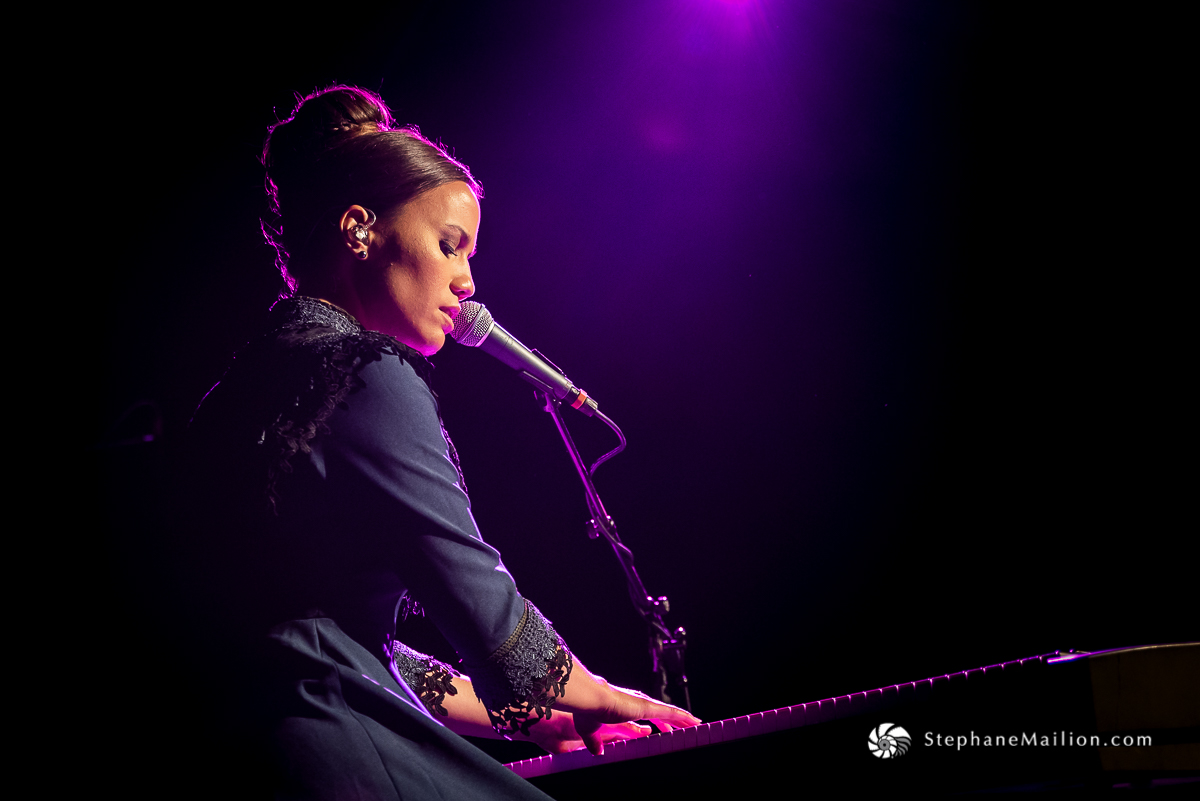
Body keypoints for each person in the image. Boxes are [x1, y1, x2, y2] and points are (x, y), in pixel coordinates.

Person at [186, 85, 698, 799]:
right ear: (358, 228)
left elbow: (349, 642)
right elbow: (474, 599)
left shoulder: (258, 372)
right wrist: (601, 694)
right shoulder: (363, 372)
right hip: (324, 738)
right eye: (448, 244)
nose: (468, 281)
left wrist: (533, 718)